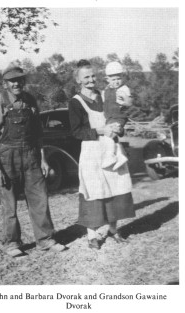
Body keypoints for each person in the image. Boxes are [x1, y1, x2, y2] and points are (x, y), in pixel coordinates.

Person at [0, 65, 65, 256]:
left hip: (31, 157)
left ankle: (45, 240)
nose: (17, 83)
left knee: (40, 199)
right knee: (9, 204)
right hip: (6, 159)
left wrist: (43, 160)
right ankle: (11, 243)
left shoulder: (30, 101)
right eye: (12, 80)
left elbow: (38, 135)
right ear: (5, 83)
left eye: (20, 79)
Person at [68, 60, 135, 250]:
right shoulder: (76, 102)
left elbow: (120, 114)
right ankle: (92, 235)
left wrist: (118, 128)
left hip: (111, 147)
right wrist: (101, 130)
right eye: (86, 77)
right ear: (78, 80)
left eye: (92, 76)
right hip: (91, 151)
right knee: (94, 190)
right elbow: (76, 132)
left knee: (116, 186)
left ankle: (113, 230)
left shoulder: (105, 94)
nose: (90, 80)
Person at [100, 61, 132, 169]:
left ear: (122, 77)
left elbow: (129, 103)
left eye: (119, 78)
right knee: (110, 137)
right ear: (107, 79)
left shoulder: (124, 89)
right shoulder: (106, 90)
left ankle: (111, 156)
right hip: (109, 117)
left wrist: (125, 99)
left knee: (109, 134)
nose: (117, 81)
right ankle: (120, 155)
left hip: (119, 116)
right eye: (113, 79)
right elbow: (103, 103)